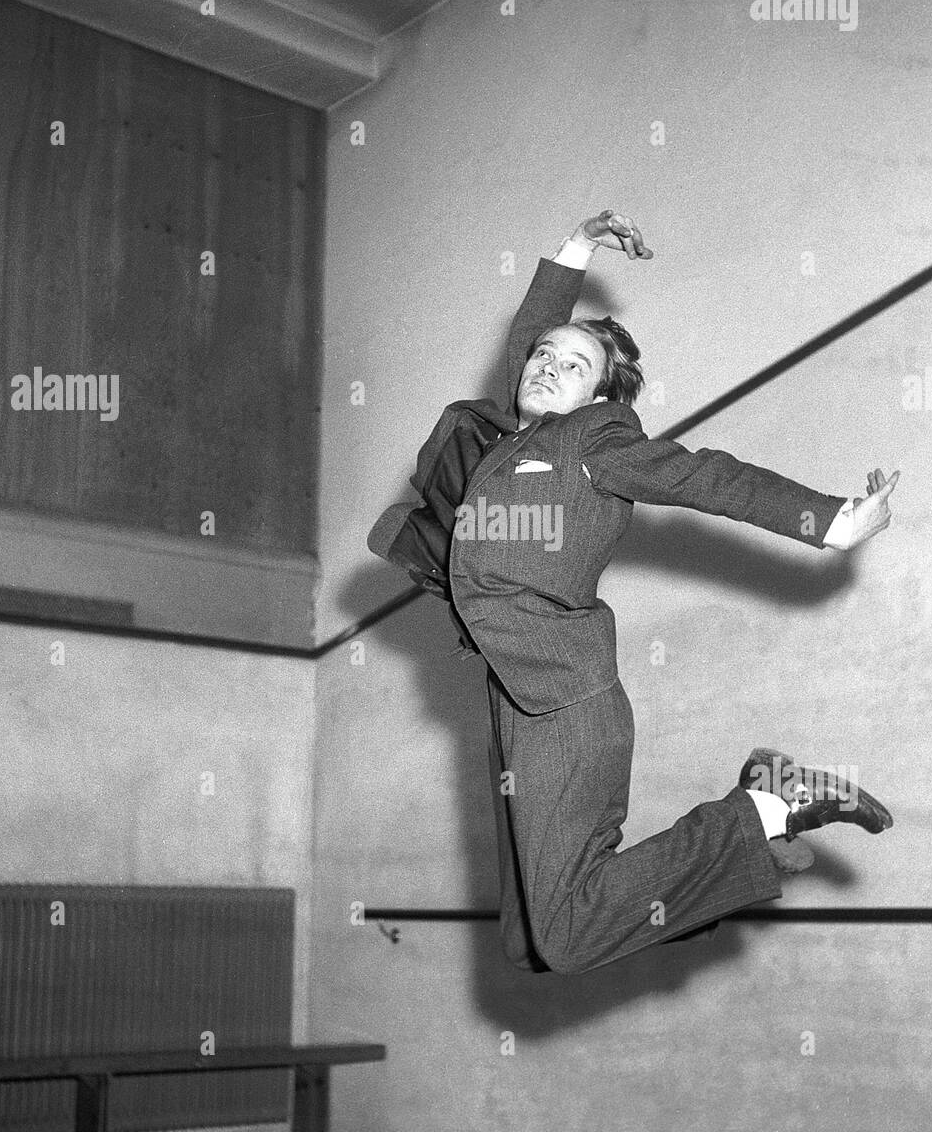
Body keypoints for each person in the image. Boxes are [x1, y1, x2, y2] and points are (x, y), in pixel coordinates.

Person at [369, 211, 899, 975]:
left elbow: (704, 476)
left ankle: (765, 808)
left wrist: (833, 521)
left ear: (597, 400)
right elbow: (530, 339)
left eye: (574, 365)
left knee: (568, 932)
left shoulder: (593, 442)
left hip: (568, 701)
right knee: (530, 941)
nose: (546, 365)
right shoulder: (499, 442)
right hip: (515, 701)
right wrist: (574, 250)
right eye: (542, 356)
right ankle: (729, 863)